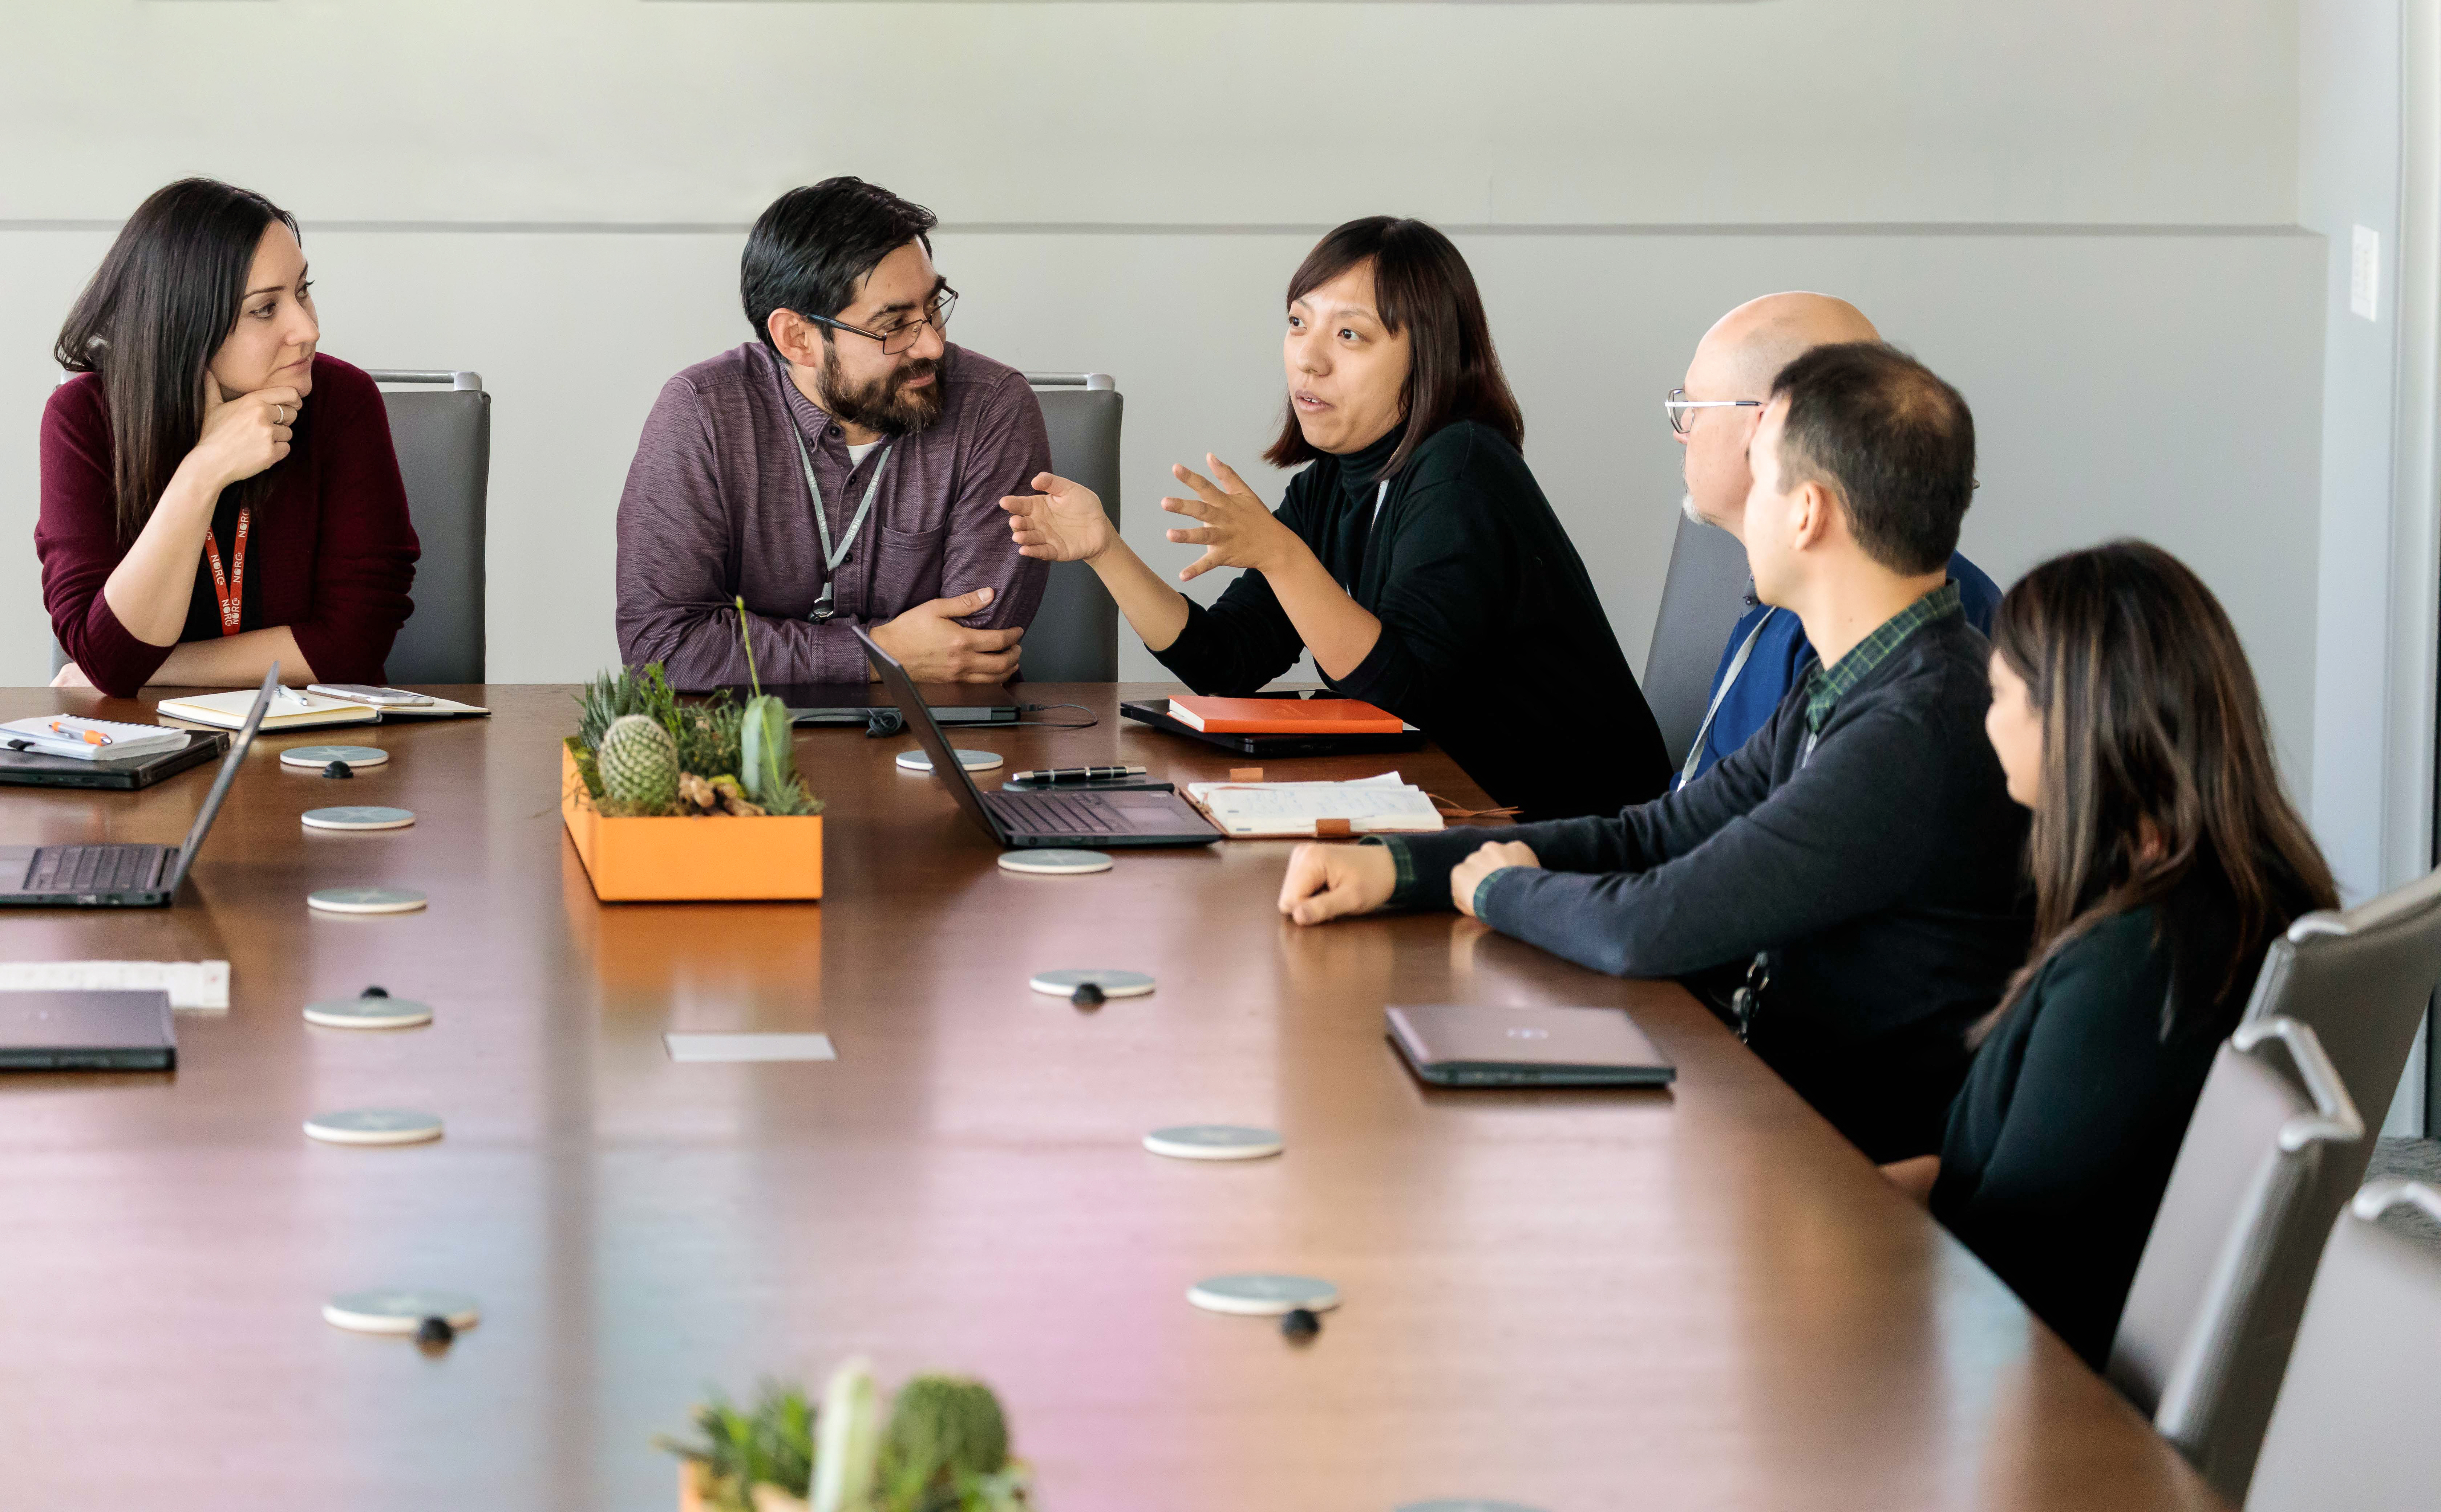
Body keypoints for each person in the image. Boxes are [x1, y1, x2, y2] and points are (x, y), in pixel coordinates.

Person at [1276, 342, 2033, 1162]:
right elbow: (1656, 834)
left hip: (1838, 1168)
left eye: (1763, 471)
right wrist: (1403, 868)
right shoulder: (1857, 675)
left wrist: (1497, 889)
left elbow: (1653, 922)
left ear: (1806, 512)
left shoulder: (1913, 728)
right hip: (1772, 1115)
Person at [1001, 216, 1671, 820]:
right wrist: (1105, 551)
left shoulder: (1462, 468)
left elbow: (1404, 701)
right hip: (1458, 807)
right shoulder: (1333, 482)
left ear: (1427, 358)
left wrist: (1281, 555)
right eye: (1299, 323)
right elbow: (1226, 663)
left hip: (1581, 827)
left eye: (1349, 334)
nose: (1309, 357)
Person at [1878, 542, 2337, 1367]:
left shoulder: (2130, 971)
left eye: (2000, 696)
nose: (1988, 724)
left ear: (2074, 722)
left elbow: (2010, 1259)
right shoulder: (2250, 897)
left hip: (2021, 1390)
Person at [616, 177, 1051, 688]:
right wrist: (877, 655)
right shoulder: (703, 414)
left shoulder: (992, 409)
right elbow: (663, 646)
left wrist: (765, 652)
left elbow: (971, 652)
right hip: (738, 753)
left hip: (941, 744)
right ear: (798, 339)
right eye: (894, 325)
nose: (932, 343)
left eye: (934, 306)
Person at [39, 179, 419, 697]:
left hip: (323, 750)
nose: (308, 329)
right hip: (144, 750)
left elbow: (350, 646)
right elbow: (107, 653)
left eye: (303, 291)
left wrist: (156, 669)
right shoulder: (83, 420)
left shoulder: (344, 403)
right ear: (184, 327)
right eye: (265, 309)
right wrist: (204, 471)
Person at [1668, 293, 2001, 787]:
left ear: (1769, 425)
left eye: (1693, 406)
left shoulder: (1876, 627)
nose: (1681, 431)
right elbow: (1707, 818)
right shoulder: (1787, 590)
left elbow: (1763, 851)